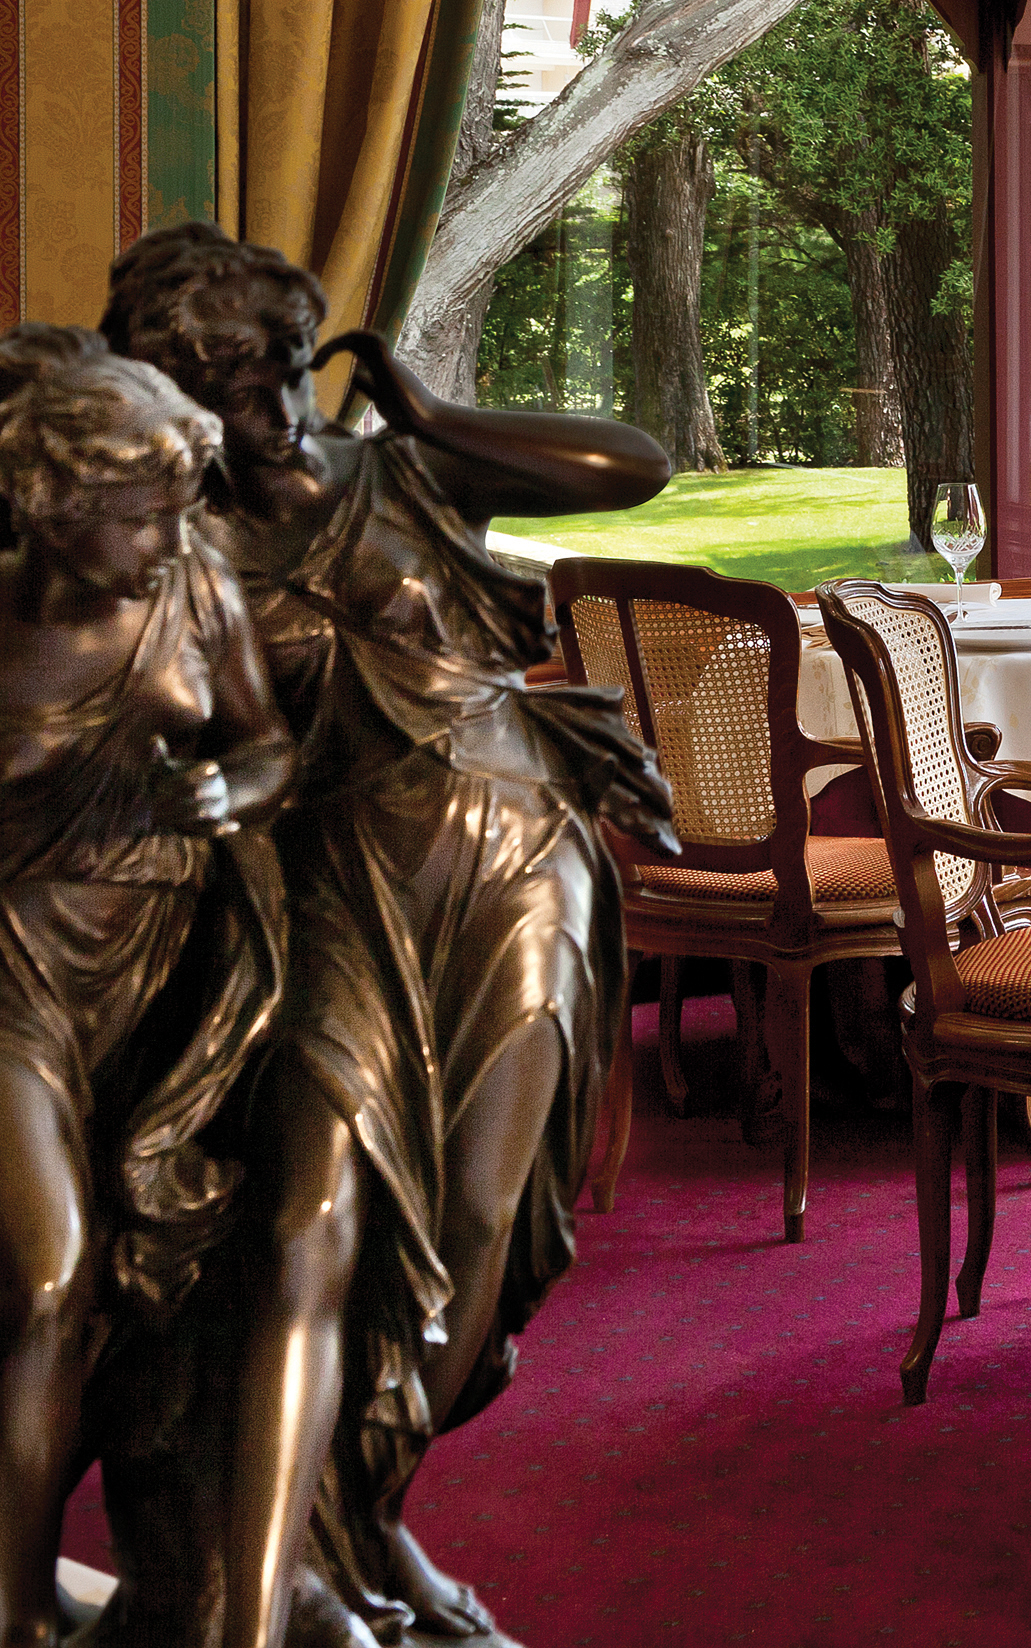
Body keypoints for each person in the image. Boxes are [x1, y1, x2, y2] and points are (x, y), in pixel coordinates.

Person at [96, 227, 671, 1648]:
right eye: (231, 386)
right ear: (169, 393)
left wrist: (423, 408)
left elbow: (630, 463)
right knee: (313, 1218)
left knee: (478, 1225)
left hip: (526, 863)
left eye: (286, 372)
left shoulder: (400, 468)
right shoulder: (180, 547)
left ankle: (369, 1522)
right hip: (343, 886)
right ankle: (255, 1589)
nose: (272, 413)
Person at [0, 331, 287, 1648]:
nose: (170, 543)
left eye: (182, 512)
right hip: (19, 982)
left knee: (132, 1283)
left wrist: (236, 788)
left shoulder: (198, 591)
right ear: (53, 511)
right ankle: (18, 1611)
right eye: (140, 519)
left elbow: (265, 744)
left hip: (171, 987)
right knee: (56, 1281)